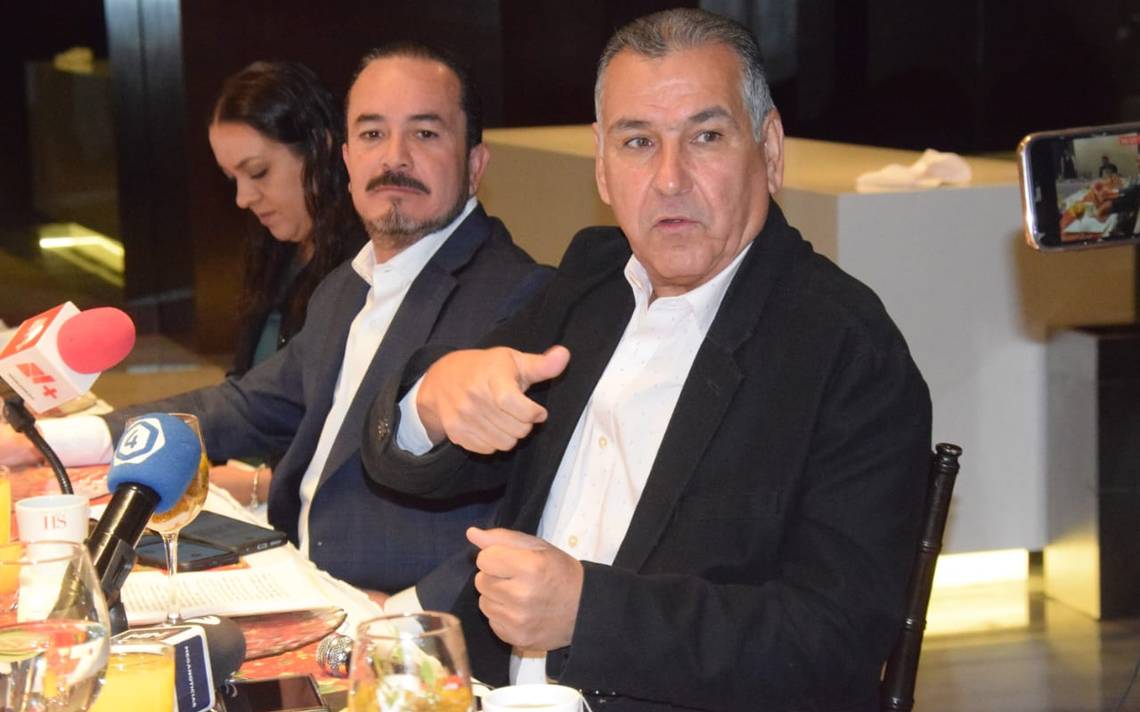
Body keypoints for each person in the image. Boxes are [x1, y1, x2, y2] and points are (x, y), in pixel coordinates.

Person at [362, 9, 931, 710]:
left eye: (706, 137)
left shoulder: (845, 348)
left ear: (770, 149)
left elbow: (834, 643)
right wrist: (435, 396)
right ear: (602, 167)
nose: (669, 178)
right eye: (638, 142)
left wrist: (587, 612)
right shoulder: (592, 280)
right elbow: (413, 465)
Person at [0, 42, 551, 605]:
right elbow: (246, 406)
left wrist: (405, 613)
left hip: (386, 616)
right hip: (293, 574)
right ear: (346, 160)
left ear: (475, 165)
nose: (394, 157)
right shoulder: (347, 285)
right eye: (372, 134)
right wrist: (44, 441)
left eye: (425, 133)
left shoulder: (521, 295)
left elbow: (538, 511)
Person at [207, 60, 367, 505]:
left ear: (321, 149)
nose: (242, 198)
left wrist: (260, 484)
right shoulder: (276, 247)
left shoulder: (367, 264)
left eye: (258, 172)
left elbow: (357, 436)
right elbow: (246, 387)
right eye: (233, 179)